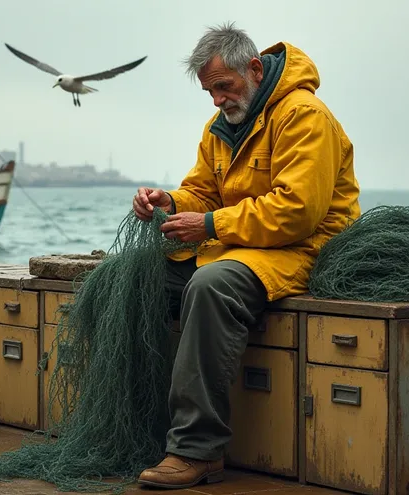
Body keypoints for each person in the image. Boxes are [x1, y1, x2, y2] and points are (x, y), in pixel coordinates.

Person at [133, 23, 361, 489]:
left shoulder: (304, 116)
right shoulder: (223, 125)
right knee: (140, 277)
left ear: (254, 69)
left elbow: (296, 213)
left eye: (223, 87)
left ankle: (197, 451)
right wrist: (171, 202)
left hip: (306, 249)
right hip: (243, 245)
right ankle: (140, 426)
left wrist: (212, 225)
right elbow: (203, 190)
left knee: (211, 285)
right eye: (209, 91)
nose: (217, 100)